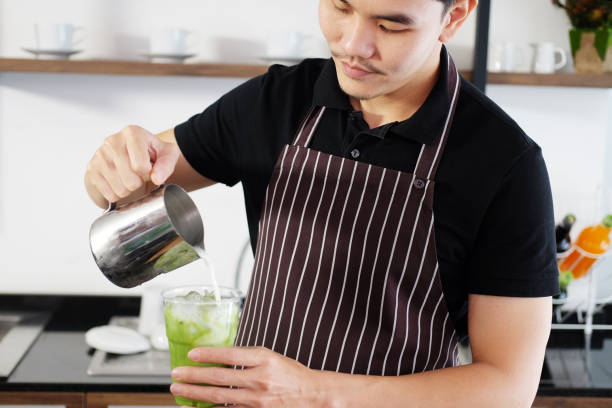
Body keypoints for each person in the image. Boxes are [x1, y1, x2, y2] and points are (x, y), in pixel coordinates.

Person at [85, 0, 559, 406]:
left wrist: (313, 392)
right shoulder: (278, 100)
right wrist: (110, 168)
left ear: (453, 17)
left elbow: (508, 386)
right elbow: (129, 185)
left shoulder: (503, 162)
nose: (353, 44)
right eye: (340, 6)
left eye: (389, 26)